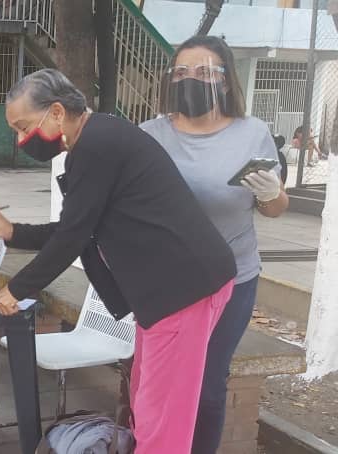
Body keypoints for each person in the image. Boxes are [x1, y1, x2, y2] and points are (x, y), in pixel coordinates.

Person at [0, 68, 237, 454]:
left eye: (24, 126)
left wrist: (17, 289)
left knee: (162, 417)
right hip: (162, 292)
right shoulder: (94, 143)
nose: (21, 139)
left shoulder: (99, 144)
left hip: (182, 288)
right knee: (146, 401)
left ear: (58, 113)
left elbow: (72, 237)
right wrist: (13, 232)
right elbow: (77, 227)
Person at [139, 35, 289, 454]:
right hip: (168, 282)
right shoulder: (150, 134)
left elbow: (276, 208)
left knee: (206, 385)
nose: (192, 80)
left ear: (224, 81)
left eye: (204, 72)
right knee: (160, 381)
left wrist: (269, 193)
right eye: (182, 72)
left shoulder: (252, 133)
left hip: (232, 278)